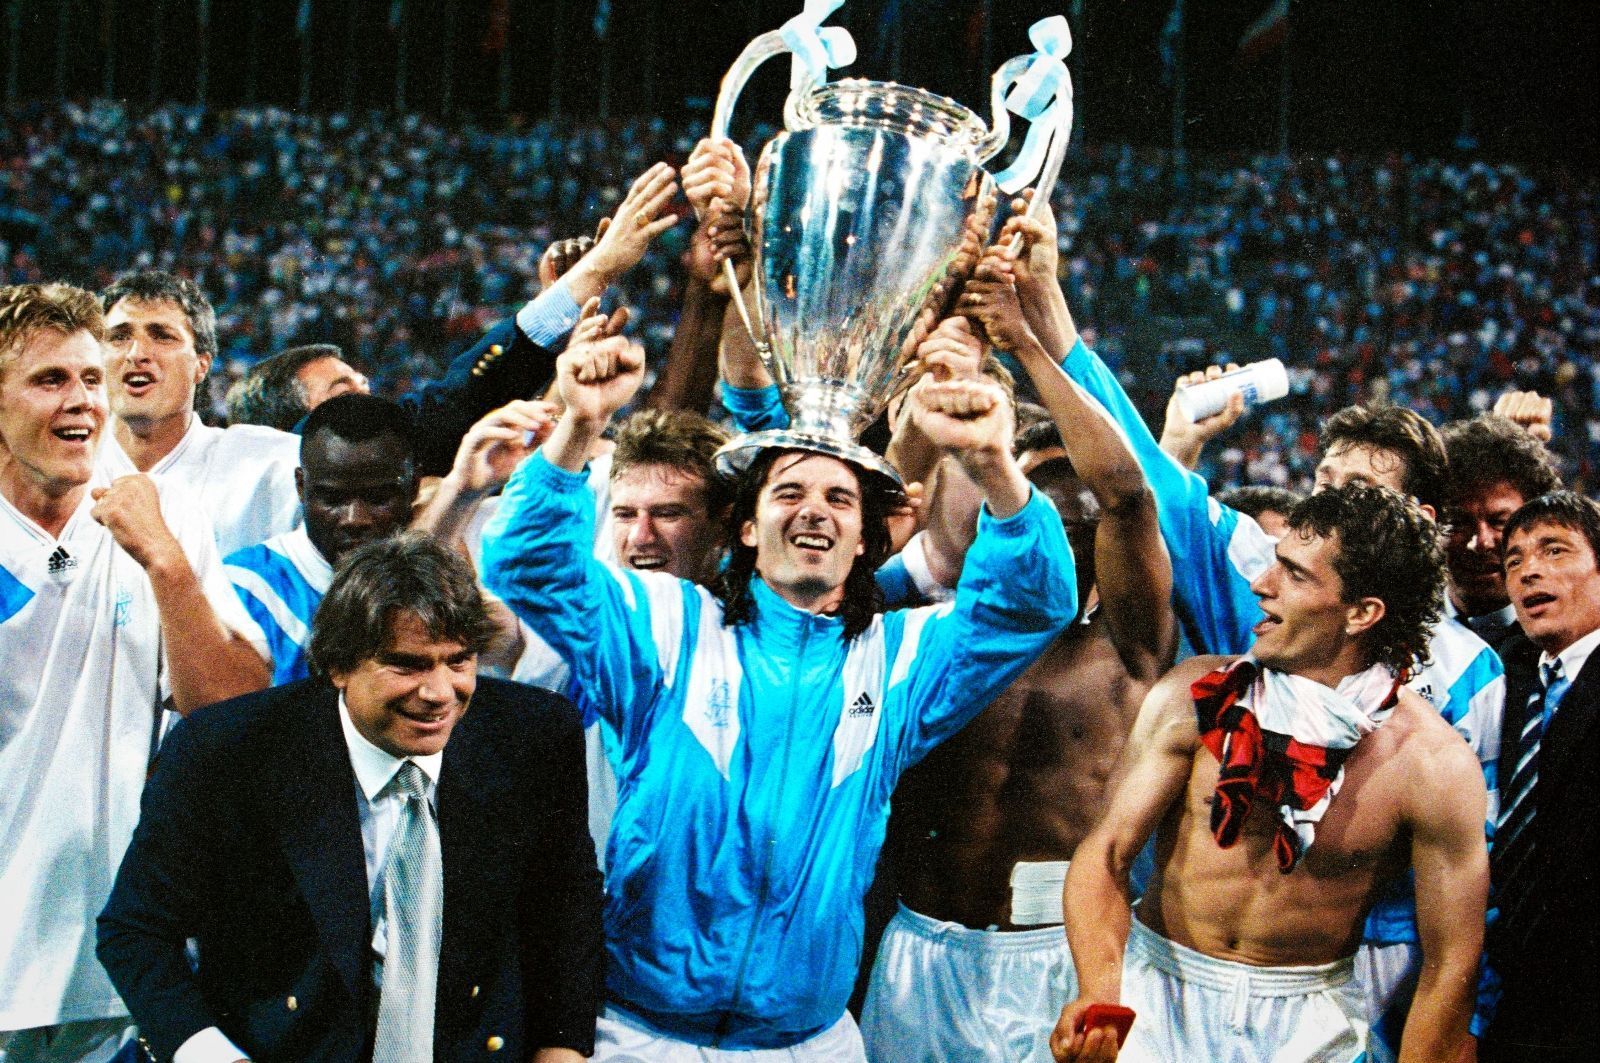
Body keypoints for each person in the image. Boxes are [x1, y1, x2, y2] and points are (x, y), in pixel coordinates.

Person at [480, 307, 1077, 1059]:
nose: (814, 512)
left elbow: (1033, 602)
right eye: (789, 493)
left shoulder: (899, 659)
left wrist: (994, 463)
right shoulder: (666, 625)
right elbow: (526, 563)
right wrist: (577, 425)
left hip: (805, 1040)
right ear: (749, 528)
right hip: (638, 1030)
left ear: (865, 537)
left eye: (840, 499)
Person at [986, 198, 1506, 1049]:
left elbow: (1454, 947)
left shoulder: (1452, 716)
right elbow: (1147, 478)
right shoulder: (1212, 669)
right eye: (1321, 485)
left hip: (1327, 994)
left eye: (1295, 570)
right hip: (1167, 979)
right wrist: (1049, 316)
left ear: (1368, 601)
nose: (1263, 580)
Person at [97, 534, 604, 1063]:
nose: (438, 693)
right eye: (407, 664)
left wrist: (563, 1048)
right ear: (338, 665)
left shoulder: (534, 735)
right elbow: (135, 931)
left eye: (458, 661)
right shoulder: (228, 752)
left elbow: (566, 910)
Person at [859, 249, 1177, 1062]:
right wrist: (933, 405)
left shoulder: (1128, 645)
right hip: (922, 943)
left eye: (1079, 488)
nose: (1067, 502)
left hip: (1059, 957)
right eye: (1042, 485)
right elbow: (880, 517)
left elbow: (1131, 493)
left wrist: (1028, 346)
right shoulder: (934, 629)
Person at [1051, 484, 1489, 1063]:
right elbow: (1106, 853)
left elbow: (1452, 961)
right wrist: (1101, 992)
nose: (1261, 585)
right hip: (1158, 995)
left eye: (1295, 574)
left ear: (1362, 613)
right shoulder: (1193, 695)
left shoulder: (1431, 763)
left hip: (1310, 1024)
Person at [0, 282, 268, 1061]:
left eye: (90, 378)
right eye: (50, 380)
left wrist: (164, 562)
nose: (82, 399)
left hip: (114, 968)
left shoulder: (163, 513)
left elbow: (230, 713)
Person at [1480, 491, 1600, 1061]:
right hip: (1510, 994)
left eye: (1555, 551)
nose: (1530, 571)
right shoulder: (1503, 668)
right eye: (1515, 561)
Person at [224, 394, 423, 685]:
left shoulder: (443, 581)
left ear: (414, 487)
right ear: (301, 486)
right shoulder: (245, 588)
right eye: (332, 498)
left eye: (378, 498)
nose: (355, 518)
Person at [1441, 414, 1562, 648]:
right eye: (1458, 523)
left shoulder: (1570, 636)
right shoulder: (1400, 635)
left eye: (1499, 522)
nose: (1480, 542)